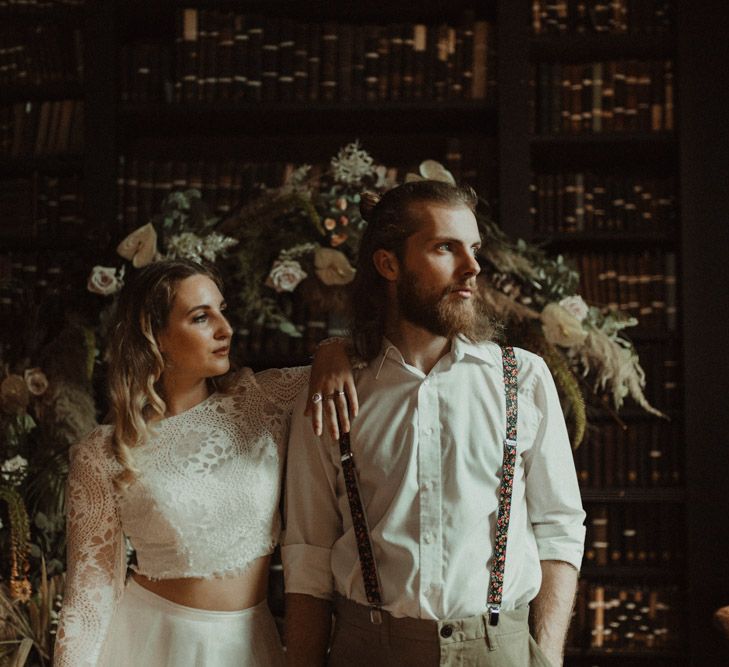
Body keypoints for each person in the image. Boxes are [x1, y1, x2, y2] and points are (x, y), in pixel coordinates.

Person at [283, 180, 586, 667]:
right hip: (368, 650)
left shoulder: (522, 378)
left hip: (500, 650)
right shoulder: (335, 391)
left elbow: (560, 529)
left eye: (474, 249)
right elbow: (309, 555)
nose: (472, 268)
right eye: (446, 248)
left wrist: (546, 657)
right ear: (389, 264)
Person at [54, 258, 355, 667]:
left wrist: (333, 348)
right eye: (200, 317)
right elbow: (90, 594)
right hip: (151, 642)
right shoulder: (104, 451)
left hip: (250, 642)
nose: (224, 328)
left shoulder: (264, 401)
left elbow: (362, 369)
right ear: (156, 335)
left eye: (222, 310)